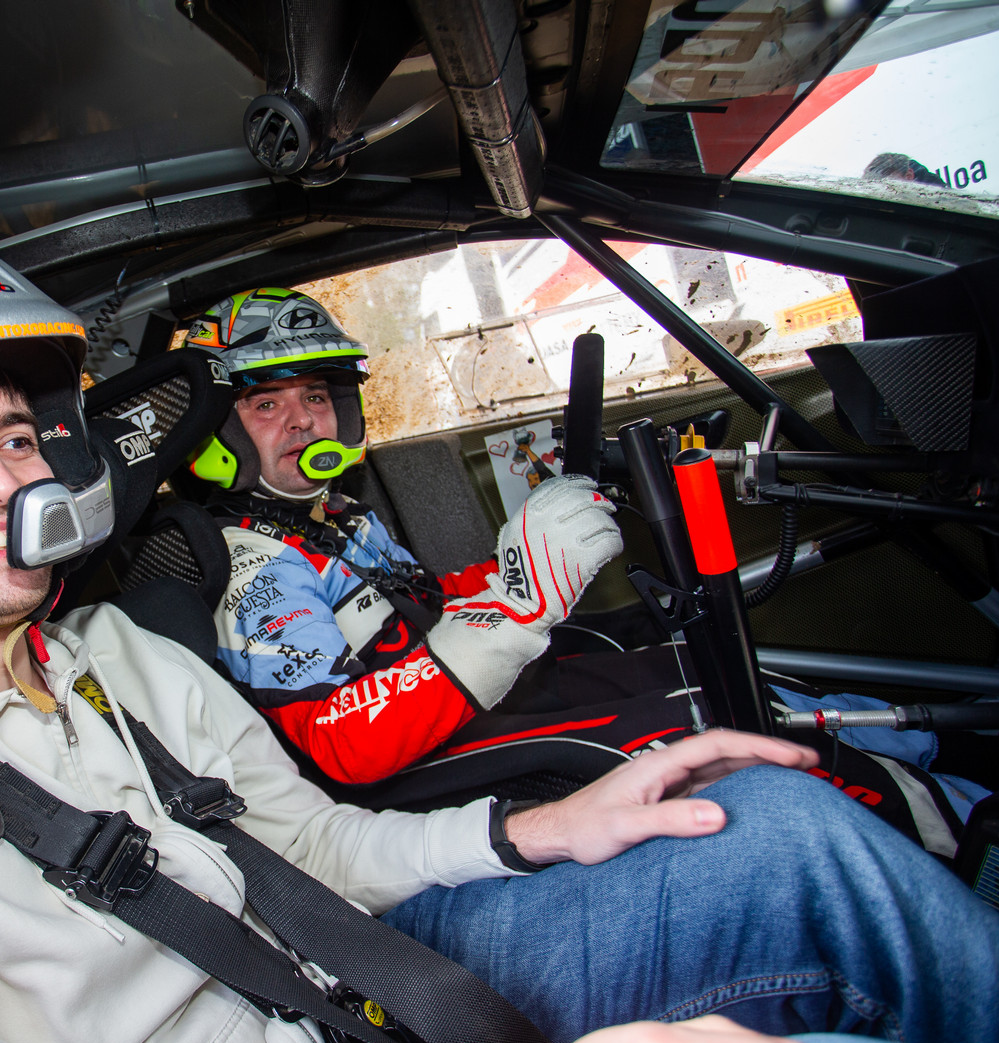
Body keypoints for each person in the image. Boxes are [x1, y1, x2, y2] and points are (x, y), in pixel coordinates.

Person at [0, 234, 999, 1043]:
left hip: (365, 989)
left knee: (782, 828)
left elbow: (318, 849)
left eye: (20, 436)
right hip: (336, 1026)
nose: (3, 479)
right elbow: (353, 733)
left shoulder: (112, 655)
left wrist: (539, 829)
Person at [182, 287, 690, 785]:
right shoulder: (253, 565)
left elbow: (427, 599)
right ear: (219, 429)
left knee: (680, 668)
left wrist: (529, 562)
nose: (303, 420)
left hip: (450, 699)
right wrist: (520, 605)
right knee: (685, 730)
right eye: (265, 404)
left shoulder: (337, 512)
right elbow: (341, 742)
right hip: (406, 758)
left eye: (315, 395)